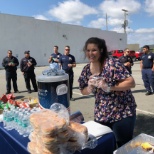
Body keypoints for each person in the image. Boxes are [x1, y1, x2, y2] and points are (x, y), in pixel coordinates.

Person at [78, 37, 137, 148]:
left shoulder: (112, 64)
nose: (90, 53)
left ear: (101, 50)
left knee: (123, 145)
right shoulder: (86, 70)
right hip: (102, 114)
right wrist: (90, 87)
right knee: (105, 144)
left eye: (94, 50)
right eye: (88, 50)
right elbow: (83, 91)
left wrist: (108, 86)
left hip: (123, 112)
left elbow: (131, 82)